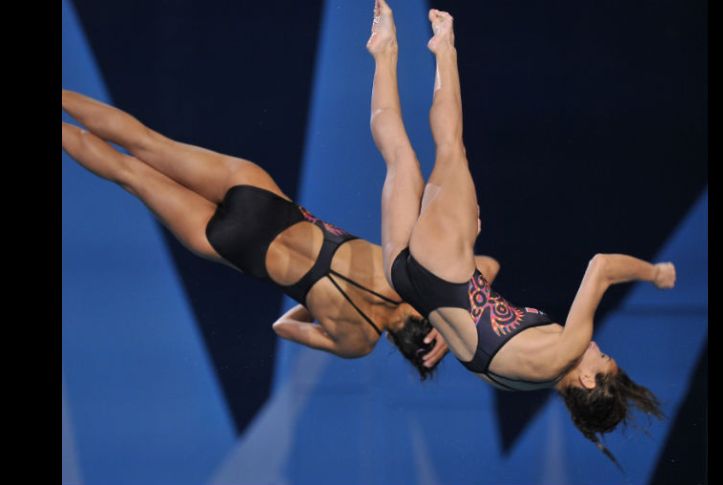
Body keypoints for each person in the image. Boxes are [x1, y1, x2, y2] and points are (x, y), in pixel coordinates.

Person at [366, 0, 673, 463]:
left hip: (443, 270)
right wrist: (461, 242)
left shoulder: (565, 349)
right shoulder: (518, 380)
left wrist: (654, 273)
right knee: (400, 158)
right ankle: (384, 51)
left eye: (601, 357)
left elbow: (602, 267)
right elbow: (472, 325)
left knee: (451, 149)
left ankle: (444, 47)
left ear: (588, 380)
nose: (594, 346)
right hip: (412, 280)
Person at [62, 89, 500, 377]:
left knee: (147, 144)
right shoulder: (358, 342)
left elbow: (486, 265)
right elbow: (282, 327)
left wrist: (451, 321)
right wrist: (316, 300)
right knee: (128, 173)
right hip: (235, 246)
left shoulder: (412, 279)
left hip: (262, 200)